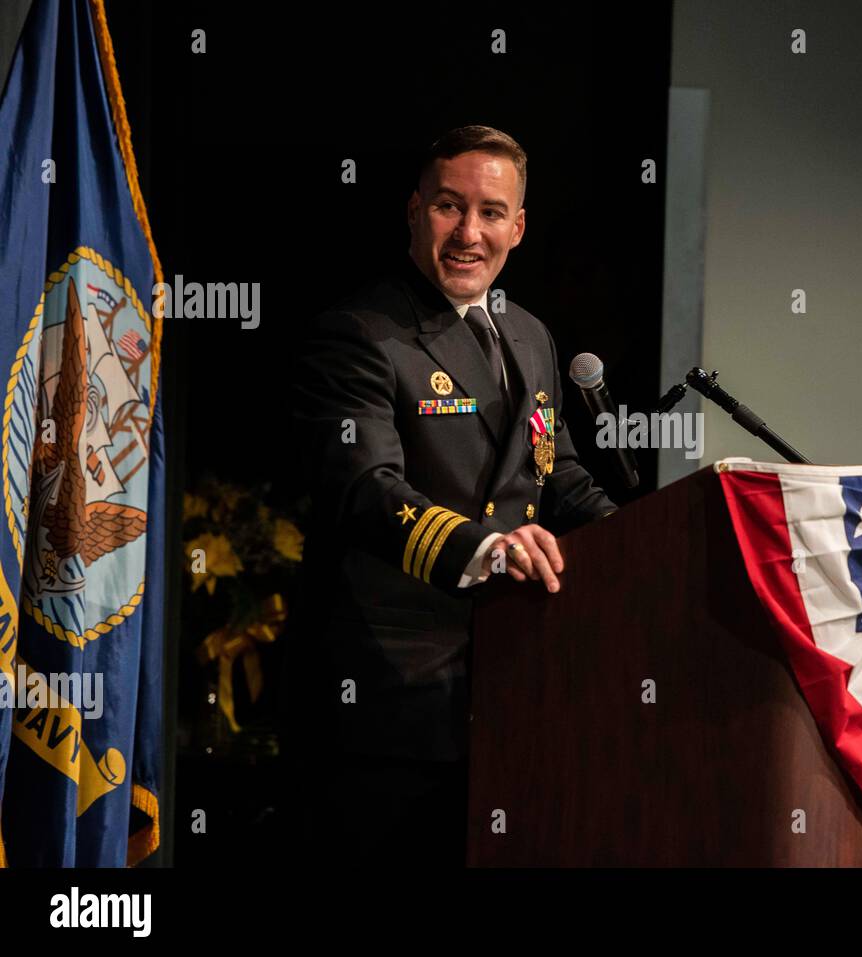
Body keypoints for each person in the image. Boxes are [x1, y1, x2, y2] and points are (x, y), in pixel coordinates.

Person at [285, 125, 617, 865]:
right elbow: (365, 490)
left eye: (492, 212)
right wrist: (490, 550)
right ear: (413, 211)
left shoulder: (529, 336)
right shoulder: (359, 333)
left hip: (512, 693)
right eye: (448, 207)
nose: (470, 232)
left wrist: (646, 538)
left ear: (519, 226)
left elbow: (553, 472)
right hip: (385, 707)